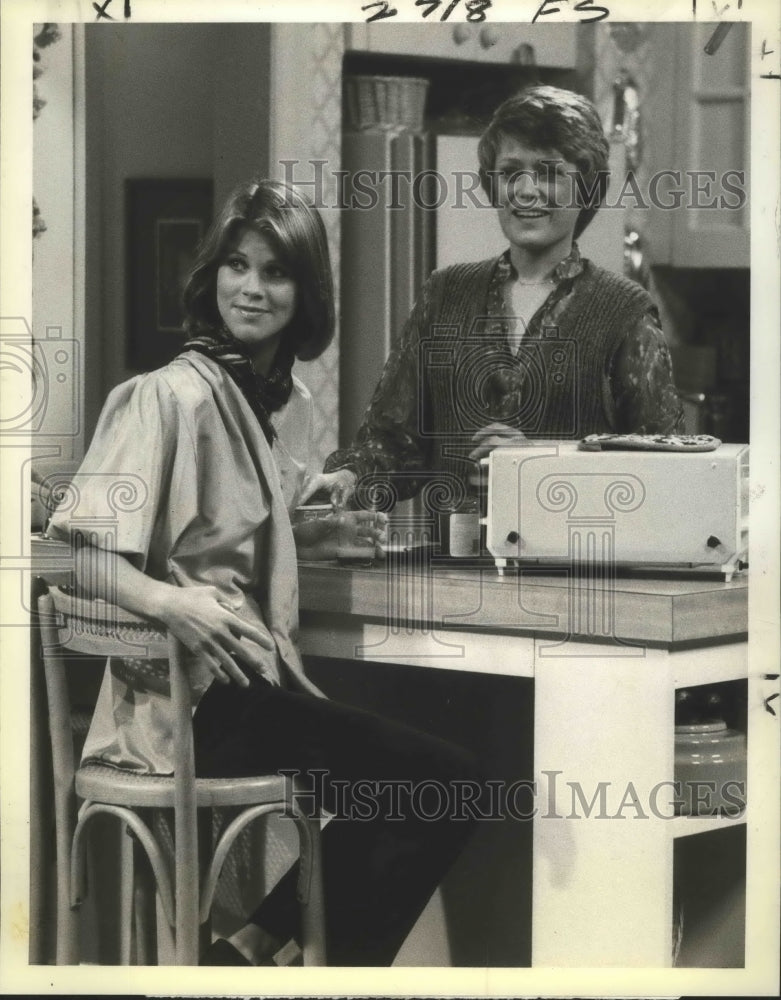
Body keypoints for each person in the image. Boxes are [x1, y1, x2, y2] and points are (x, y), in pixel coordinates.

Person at [48, 179, 480, 967]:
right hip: (188, 708)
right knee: (445, 783)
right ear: (210, 277)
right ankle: (261, 961)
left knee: (430, 785)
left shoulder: (266, 400)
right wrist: (167, 600)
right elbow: (68, 550)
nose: (251, 288)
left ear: (304, 292)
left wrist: (306, 535)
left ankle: (245, 953)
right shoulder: (167, 396)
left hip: (248, 693)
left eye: (275, 272)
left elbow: (218, 531)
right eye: (236, 266)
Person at [304, 85, 684, 509]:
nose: (525, 191)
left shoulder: (626, 313)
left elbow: (665, 473)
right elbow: (393, 444)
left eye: (548, 172)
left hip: (574, 568)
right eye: (510, 172)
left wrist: (544, 462)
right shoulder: (445, 293)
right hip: (448, 567)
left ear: (587, 186)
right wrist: (348, 477)